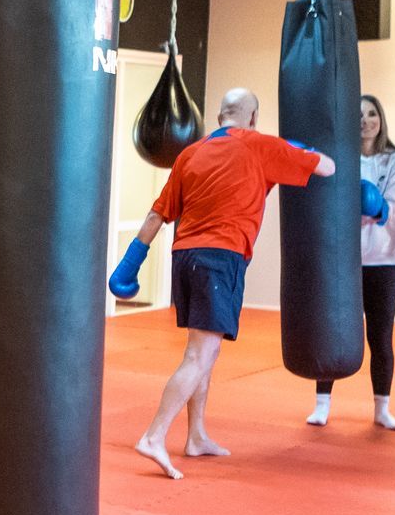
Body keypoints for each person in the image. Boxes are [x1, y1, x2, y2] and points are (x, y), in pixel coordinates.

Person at [109, 87, 335, 480]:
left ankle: (196, 437)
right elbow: (327, 168)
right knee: (200, 354)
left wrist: (128, 267)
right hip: (221, 258)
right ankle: (153, 435)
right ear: (252, 117)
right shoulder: (260, 145)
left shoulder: (190, 154)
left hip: (186, 257)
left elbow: (155, 216)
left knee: (205, 353)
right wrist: (292, 146)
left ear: (217, 118)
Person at [308, 93, 395, 430]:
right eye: (358, 115)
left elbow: (392, 210)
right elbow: (331, 207)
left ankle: (382, 409)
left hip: (383, 262)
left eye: (371, 114)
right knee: (333, 331)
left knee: (380, 337)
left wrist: (374, 207)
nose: (365, 120)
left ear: (381, 120)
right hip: (344, 261)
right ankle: (322, 405)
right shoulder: (341, 159)